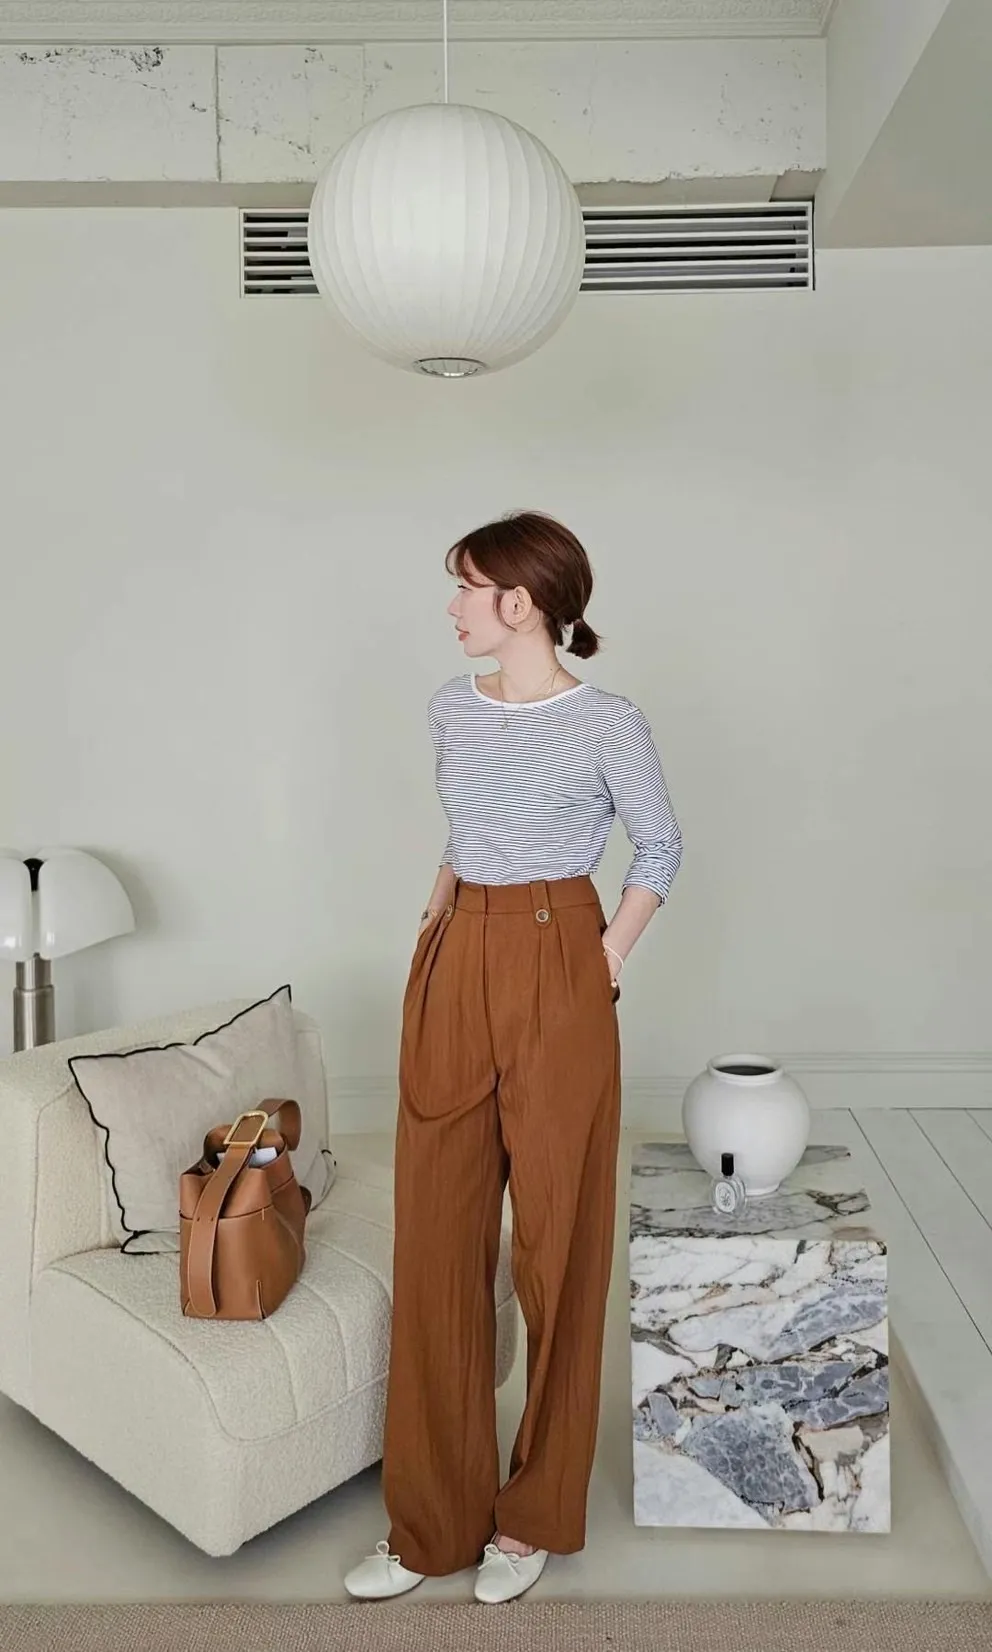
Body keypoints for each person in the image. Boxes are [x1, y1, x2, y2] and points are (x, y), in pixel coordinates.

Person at [345, 511, 682, 1604]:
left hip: (558, 956)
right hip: (457, 953)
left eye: (467, 586)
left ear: (522, 602)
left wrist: (605, 959)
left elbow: (660, 845)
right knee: (436, 1236)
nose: (451, 606)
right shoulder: (450, 707)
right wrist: (436, 912)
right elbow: (469, 827)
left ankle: (530, 1518)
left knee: (557, 1241)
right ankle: (430, 1525)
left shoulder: (606, 722)